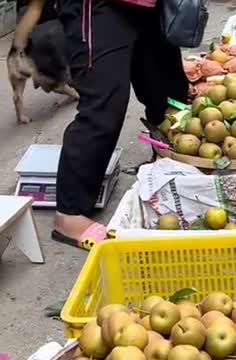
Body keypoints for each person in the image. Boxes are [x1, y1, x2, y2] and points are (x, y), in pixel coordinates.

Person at [51, 0, 189, 250]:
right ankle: (69, 214)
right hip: (100, 6)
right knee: (105, 105)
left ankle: (168, 166)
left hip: (149, 5)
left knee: (169, 94)